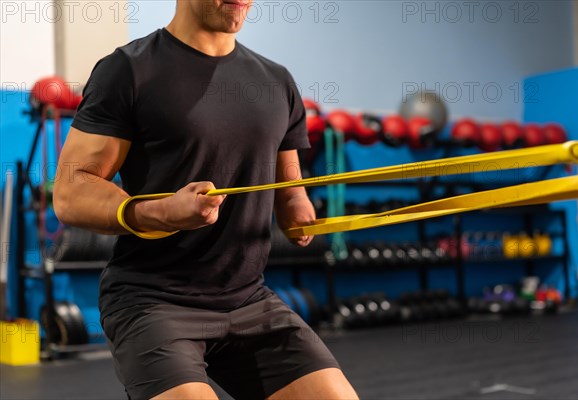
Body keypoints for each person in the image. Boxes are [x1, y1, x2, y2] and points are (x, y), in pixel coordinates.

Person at [53, 0, 359, 399]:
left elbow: (291, 190)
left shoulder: (277, 82)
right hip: (153, 299)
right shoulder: (128, 69)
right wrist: (163, 212)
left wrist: (301, 213)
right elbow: (71, 190)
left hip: (249, 299)